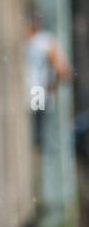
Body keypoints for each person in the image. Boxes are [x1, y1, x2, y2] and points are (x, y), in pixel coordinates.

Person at [25, 15, 73, 152]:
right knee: (38, 122)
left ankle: (40, 144)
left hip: (38, 91)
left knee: (38, 122)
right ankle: (40, 143)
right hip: (37, 90)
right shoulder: (40, 41)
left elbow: (60, 67)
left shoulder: (43, 41)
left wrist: (52, 83)